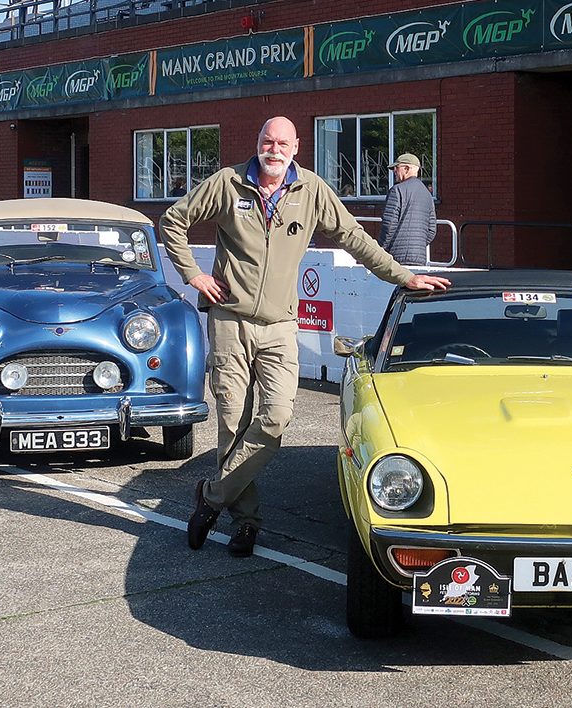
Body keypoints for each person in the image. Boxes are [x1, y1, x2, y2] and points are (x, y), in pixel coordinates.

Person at [162, 117, 451, 558]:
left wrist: (405, 276)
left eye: (282, 143)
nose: (273, 149)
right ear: (257, 143)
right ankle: (246, 522)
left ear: (297, 147)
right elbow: (172, 222)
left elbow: (355, 237)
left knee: (275, 419)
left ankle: (213, 496)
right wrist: (195, 275)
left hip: (280, 325)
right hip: (229, 320)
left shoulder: (312, 191)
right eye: (266, 141)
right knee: (232, 422)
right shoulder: (227, 183)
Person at [379, 153, 437, 267]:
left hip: (396, 257)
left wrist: (381, 249)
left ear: (406, 169)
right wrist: (418, 245)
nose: (394, 172)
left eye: (396, 168)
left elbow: (389, 225)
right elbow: (431, 230)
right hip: (419, 258)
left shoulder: (397, 190)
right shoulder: (427, 194)